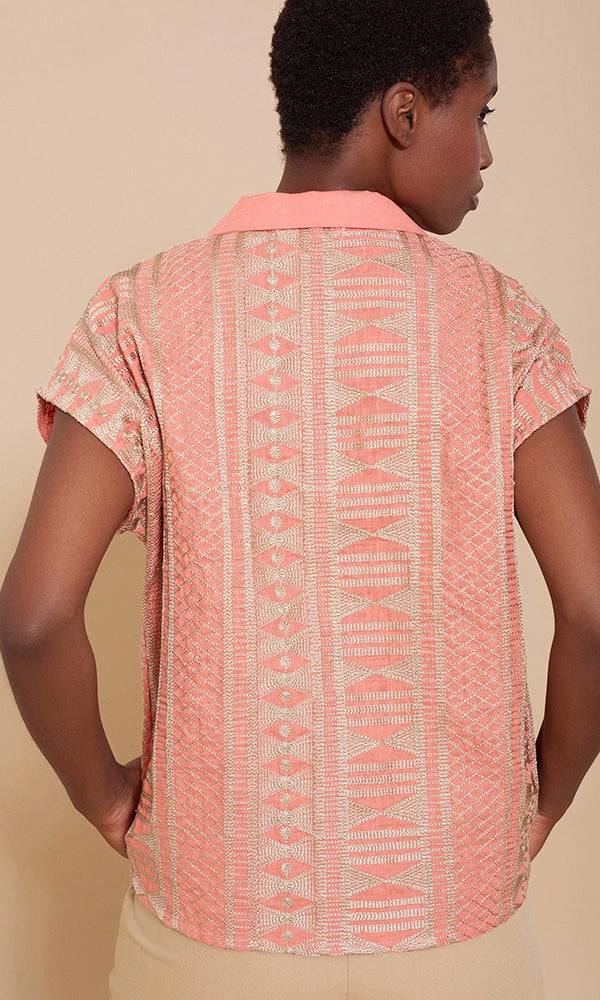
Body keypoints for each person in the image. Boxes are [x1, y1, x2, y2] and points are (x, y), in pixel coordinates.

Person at [0, 1, 598, 997]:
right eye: (481, 113)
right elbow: (595, 606)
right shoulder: (504, 323)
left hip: (212, 922)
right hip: (456, 924)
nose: (488, 152)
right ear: (405, 113)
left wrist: (107, 799)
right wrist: (545, 799)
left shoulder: (140, 315)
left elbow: (33, 618)